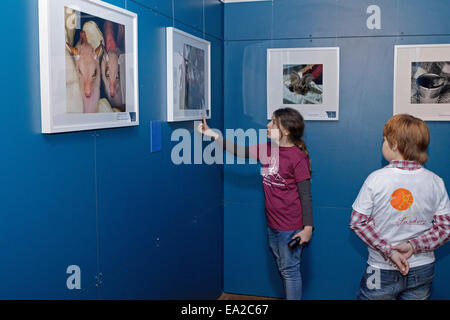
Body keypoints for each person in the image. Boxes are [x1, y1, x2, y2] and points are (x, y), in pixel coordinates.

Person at [198, 107, 313, 300]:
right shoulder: (266, 149)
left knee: (290, 271)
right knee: (283, 267)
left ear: (285, 130)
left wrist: (308, 228)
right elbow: (237, 150)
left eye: (273, 122)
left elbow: (305, 196)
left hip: (291, 227)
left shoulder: (297, 158)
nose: (267, 125)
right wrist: (212, 134)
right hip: (272, 225)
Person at [350, 114, 450, 300]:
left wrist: (389, 251)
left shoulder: (376, 179)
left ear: (394, 144)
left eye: (384, 140)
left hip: (381, 268)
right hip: (422, 268)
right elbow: (445, 228)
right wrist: (414, 245)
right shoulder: (436, 181)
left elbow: (358, 222)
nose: (383, 145)